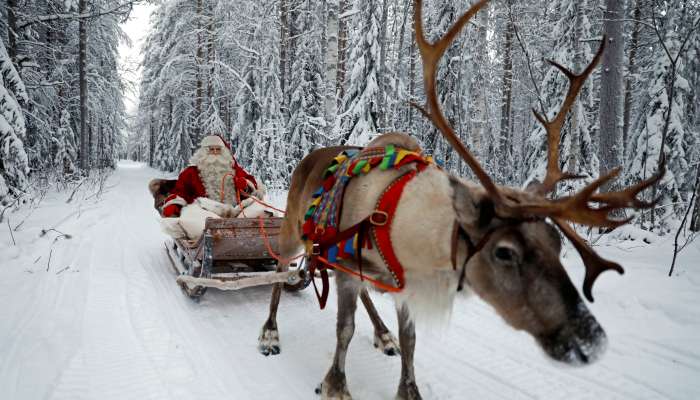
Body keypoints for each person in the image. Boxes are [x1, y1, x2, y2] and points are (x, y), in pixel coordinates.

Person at [161, 135, 262, 218]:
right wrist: (174, 205)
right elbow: (181, 192)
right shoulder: (190, 173)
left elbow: (253, 188)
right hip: (204, 214)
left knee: (260, 210)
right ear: (203, 152)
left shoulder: (234, 170)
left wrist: (245, 186)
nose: (214, 152)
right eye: (211, 149)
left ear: (224, 152)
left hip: (235, 214)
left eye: (218, 149)